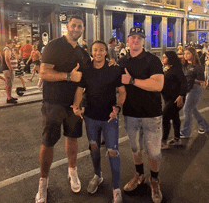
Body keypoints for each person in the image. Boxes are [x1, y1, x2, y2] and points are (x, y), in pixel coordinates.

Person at [35, 15, 91, 203]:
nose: (76, 28)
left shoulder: (83, 53)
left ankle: (72, 171)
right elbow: (43, 72)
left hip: (73, 106)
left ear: (83, 29)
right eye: (73, 25)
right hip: (53, 103)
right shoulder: (54, 45)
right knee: (48, 142)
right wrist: (68, 76)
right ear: (67, 26)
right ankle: (43, 182)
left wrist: (78, 104)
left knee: (73, 138)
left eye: (80, 26)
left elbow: (83, 81)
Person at [71, 40, 126, 203]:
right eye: (95, 50)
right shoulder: (86, 70)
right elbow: (80, 90)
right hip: (90, 117)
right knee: (94, 147)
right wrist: (76, 106)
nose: (98, 53)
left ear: (105, 52)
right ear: (92, 52)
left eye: (101, 50)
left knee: (112, 151)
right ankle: (98, 176)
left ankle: (116, 187)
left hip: (109, 117)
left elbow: (122, 92)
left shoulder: (114, 69)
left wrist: (117, 108)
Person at [118, 27, 164, 203]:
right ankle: (139, 175)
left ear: (144, 41)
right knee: (136, 148)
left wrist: (132, 81)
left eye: (139, 37)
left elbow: (158, 85)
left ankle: (154, 180)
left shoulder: (153, 60)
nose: (136, 40)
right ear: (128, 40)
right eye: (132, 37)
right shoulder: (122, 62)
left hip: (151, 114)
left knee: (154, 152)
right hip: (130, 113)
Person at [180, 47, 209, 137]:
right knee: (193, 110)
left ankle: (186, 131)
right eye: (185, 53)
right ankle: (204, 126)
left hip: (195, 89)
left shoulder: (198, 67)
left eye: (188, 53)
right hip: (187, 89)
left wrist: (191, 79)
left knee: (187, 109)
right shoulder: (185, 65)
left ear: (193, 54)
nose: (186, 55)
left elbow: (201, 80)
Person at [161, 51, 187, 149]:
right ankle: (177, 139)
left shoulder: (176, 70)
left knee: (165, 117)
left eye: (165, 57)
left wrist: (181, 96)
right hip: (168, 98)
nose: (163, 59)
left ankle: (163, 141)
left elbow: (184, 83)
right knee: (175, 116)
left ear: (170, 58)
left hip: (176, 99)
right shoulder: (167, 69)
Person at [3, 39, 18, 104]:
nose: (12, 44)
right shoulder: (7, 49)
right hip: (8, 69)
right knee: (9, 84)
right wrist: (10, 68)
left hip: (8, 69)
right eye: (12, 43)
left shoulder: (7, 49)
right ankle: (9, 98)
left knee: (9, 84)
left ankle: (9, 96)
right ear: (9, 44)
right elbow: (7, 59)